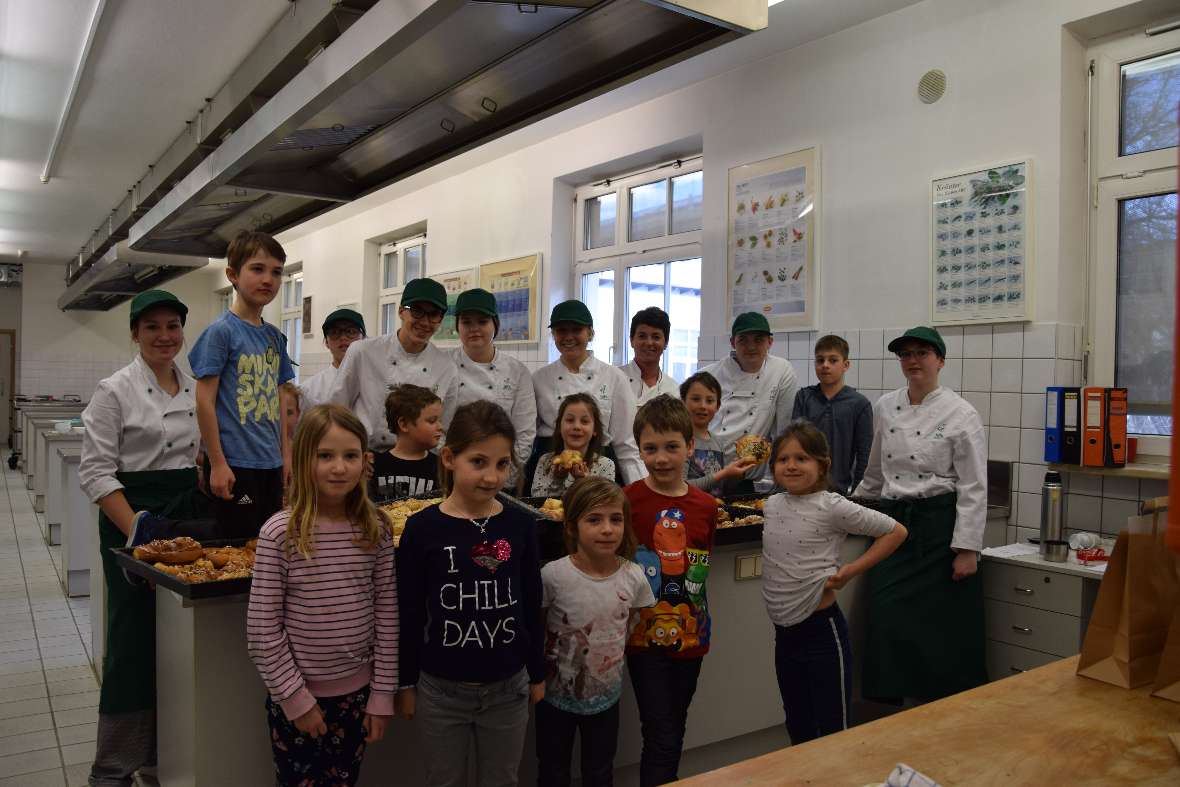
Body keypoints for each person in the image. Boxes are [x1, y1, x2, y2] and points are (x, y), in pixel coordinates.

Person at [80, 290, 215, 787]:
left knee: (178, 641)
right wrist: (138, 528)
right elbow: (95, 473)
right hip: (128, 519)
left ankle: (165, 757)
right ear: (135, 333)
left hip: (182, 519)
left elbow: (198, 458)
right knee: (132, 640)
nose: (164, 336)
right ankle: (113, 767)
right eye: (152, 327)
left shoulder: (194, 387)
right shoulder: (113, 391)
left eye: (173, 326)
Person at [396, 400, 545, 787]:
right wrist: (406, 682)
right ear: (449, 458)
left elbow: (530, 602)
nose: (492, 476)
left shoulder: (521, 525)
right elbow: (409, 611)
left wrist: (537, 671)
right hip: (441, 691)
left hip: (508, 687)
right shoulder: (422, 528)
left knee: (502, 779)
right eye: (478, 462)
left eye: (502, 464)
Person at [247, 404, 397, 786]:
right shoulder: (279, 533)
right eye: (325, 456)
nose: (338, 467)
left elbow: (387, 615)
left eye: (350, 456)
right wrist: (296, 699)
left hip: (358, 698)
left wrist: (382, 695)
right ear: (302, 461)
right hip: (296, 700)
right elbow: (263, 633)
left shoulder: (376, 526)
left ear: (365, 462)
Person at [853, 326, 989, 701]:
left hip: (939, 528)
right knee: (886, 613)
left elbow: (974, 485)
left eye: (922, 354)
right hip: (895, 524)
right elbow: (876, 471)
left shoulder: (962, 414)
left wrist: (966, 549)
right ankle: (891, 702)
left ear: (940, 361)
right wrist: (848, 507)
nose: (913, 361)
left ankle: (942, 707)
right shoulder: (885, 406)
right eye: (906, 354)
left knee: (939, 628)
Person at [761, 420, 906, 744]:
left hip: (822, 634)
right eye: (783, 459)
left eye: (802, 458)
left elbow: (895, 532)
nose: (791, 465)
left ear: (822, 464)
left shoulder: (832, 506)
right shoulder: (772, 505)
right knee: (798, 725)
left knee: (832, 732)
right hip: (785, 636)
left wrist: (851, 571)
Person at [623, 395, 719, 787]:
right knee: (660, 734)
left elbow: (703, 564)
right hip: (642, 640)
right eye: (651, 448)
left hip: (691, 638)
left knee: (673, 730)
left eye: (671, 447)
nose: (661, 458)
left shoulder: (706, 506)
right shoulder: (628, 501)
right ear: (640, 450)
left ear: (690, 447)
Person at [536, 476, 655, 787]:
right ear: (572, 527)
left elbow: (634, 620)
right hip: (553, 699)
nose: (607, 529)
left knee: (600, 772)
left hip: (606, 699)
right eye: (594, 519)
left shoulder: (634, 576)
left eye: (616, 519)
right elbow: (539, 623)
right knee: (552, 769)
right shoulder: (553, 576)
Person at [189, 229, 295, 538]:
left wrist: (286, 457)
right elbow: (204, 402)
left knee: (268, 545)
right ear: (233, 275)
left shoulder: (275, 337)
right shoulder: (221, 333)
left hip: (270, 464)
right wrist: (217, 463)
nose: (268, 280)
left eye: (276, 272)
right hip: (234, 463)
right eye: (257, 269)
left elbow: (280, 401)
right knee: (236, 549)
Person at [330, 278, 459, 451]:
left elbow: (444, 427)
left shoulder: (446, 367)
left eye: (434, 314)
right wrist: (350, 452)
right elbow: (337, 409)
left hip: (418, 459)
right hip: (367, 455)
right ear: (401, 311)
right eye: (417, 311)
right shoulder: (363, 352)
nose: (425, 322)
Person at [531, 300, 644, 486]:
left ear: (590, 333)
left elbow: (626, 445)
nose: (569, 337)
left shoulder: (614, 377)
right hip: (550, 467)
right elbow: (528, 435)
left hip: (599, 466)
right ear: (553, 335)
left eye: (576, 330)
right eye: (561, 331)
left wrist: (639, 491)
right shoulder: (539, 379)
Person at [700, 312, 798, 492]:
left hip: (744, 480)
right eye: (743, 340)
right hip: (703, 475)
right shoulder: (708, 375)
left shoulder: (781, 371)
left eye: (758, 339)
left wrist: (780, 481)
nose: (751, 347)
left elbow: (783, 431)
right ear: (732, 343)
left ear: (770, 342)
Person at [451, 288, 537, 474]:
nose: (474, 329)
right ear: (457, 326)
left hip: (502, 473)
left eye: (482, 322)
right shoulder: (445, 367)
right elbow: (438, 428)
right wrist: (454, 470)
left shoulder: (517, 372)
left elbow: (525, 433)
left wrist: (504, 473)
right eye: (466, 322)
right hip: (455, 473)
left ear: (495, 325)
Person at [791, 334, 873, 494]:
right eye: (820, 360)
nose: (825, 365)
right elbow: (794, 444)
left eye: (833, 360)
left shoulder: (859, 404)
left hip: (839, 492)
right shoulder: (804, 397)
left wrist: (857, 494)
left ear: (846, 365)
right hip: (803, 488)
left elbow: (864, 455)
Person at [679, 371, 759, 496]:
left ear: (717, 406)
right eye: (696, 399)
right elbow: (680, 487)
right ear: (683, 402)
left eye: (710, 401)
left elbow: (722, 487)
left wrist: (739, 469)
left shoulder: (717, 442)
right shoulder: (680, 441)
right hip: (690, 511)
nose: (703, 406)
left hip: (717, 510)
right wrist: (724, 473)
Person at [531, 393, 616, 498]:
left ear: (595, 430)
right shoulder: (546, 462)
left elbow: (603, 505)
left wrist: (584, 482)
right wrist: (558, 479)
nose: (576, 426)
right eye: (570, 420)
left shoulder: (605, 465)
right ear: (559, 427)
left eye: (584, 421)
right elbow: (537, 503)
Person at [369, 384, 443, 500]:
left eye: (440, 420)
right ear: (403, 424)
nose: (440, 427)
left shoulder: (442, 467)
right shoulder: (374, 466)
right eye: (432, 421)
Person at [300, 308, 366, 408]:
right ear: (326, 342)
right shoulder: (310, 390)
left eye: (351, 331)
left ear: (364, 339)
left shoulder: (376, 381)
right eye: (335, 332)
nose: (343, 337)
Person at [620, 307, 680, 406]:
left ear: (666, 343)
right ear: (631, 340)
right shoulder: (615, 379)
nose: (649, 343)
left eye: (656, 337)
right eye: (642, 336)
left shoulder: (674, 390)